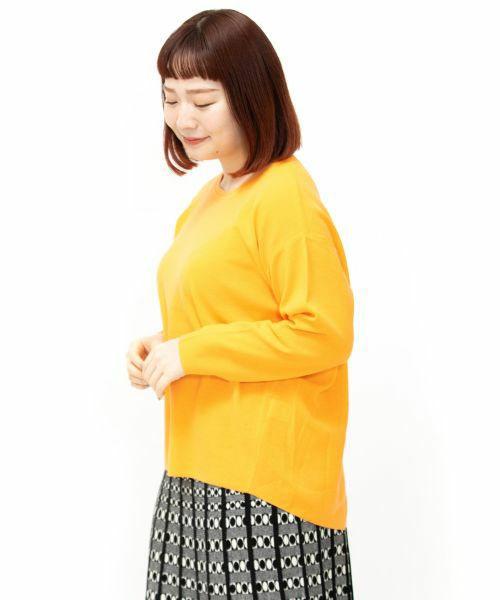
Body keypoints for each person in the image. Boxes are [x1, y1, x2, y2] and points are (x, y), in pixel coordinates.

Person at [125, 9, 355, 600]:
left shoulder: (283, 194)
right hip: (194, 472)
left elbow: (323, 331)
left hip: (263, 486)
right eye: (171, 98)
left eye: (202, 100)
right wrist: (165, 345)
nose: (183, 118)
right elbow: (237, 315)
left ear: (251, 95)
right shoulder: (208, 199)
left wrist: (193, 351)